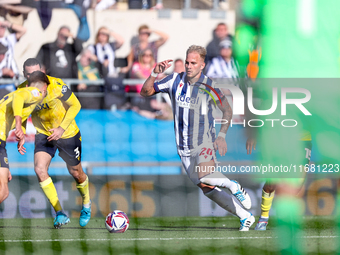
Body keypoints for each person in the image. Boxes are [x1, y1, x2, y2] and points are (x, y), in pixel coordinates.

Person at [140, 45, 254, 231]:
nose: (189, 66)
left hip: (204, 141)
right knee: (206, 187)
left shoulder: (209, 85)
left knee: (205, 176)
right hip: (183, 145)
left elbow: (227, 110)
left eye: (193, 63)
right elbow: (145, 92)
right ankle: (245, 216)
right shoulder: (174, 80)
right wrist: (154, 73)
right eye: (187, 62)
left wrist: (222, 135)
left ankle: (233, 186)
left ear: (202, 65)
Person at [18, 58, 91, 229]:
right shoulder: (22, 90)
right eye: (29, 74)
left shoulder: (56, 85)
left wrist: (61, 128)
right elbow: (20, 113)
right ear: (24, 74)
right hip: (43, 135)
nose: (33, 77)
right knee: (39, 169)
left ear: (42, 71)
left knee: (76, 173)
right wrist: (20, 133)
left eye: (36, 72)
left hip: (67, 133)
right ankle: (60, 213)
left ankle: (86, 204)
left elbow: (75, 105)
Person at [0, 71, 48, 204]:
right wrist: (19, 125)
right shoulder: (36, 93)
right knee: (3, 191)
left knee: (4, 191)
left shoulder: (21, 94)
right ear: (44, 88)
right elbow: (19, 98)